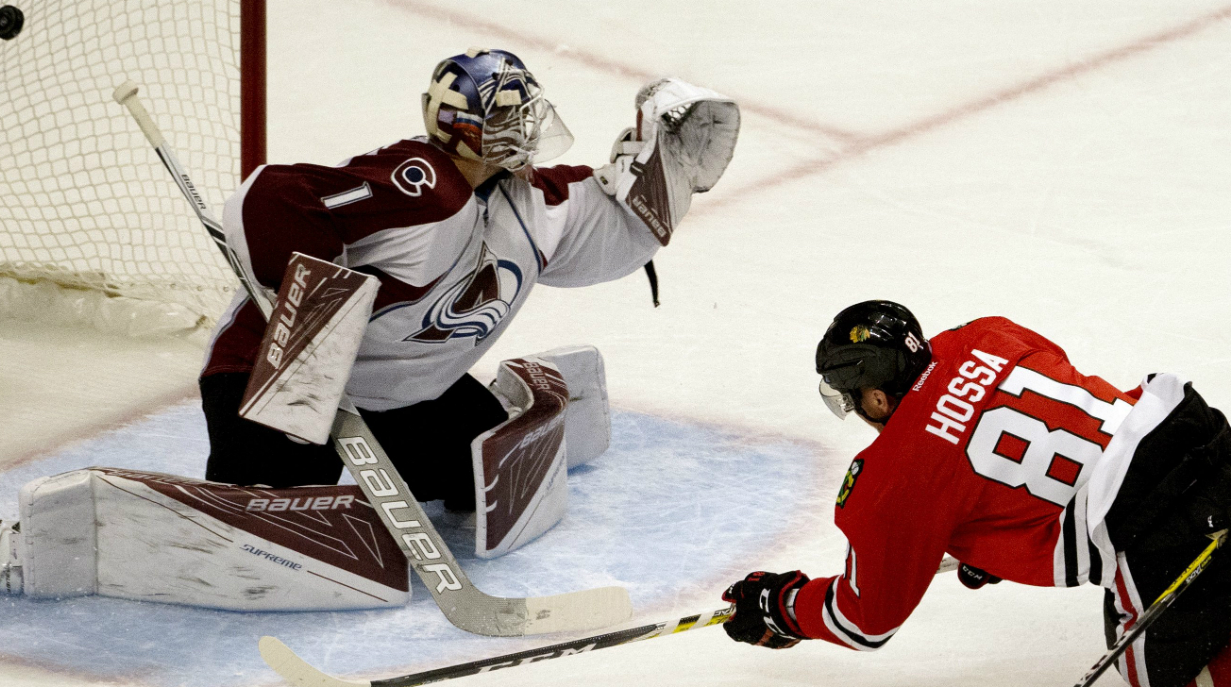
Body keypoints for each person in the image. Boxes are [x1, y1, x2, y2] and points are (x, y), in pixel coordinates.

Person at [198, 48, 739, 509]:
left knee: (485, 484)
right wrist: (313, 329)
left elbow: (615, 236)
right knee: (271, 519)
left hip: (401, 394)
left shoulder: (532, 204)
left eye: (524, 114)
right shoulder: (418, 184)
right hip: (268, 375)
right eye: (505, 116)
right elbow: (272, 197)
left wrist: (668, 166)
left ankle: (498, 408)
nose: (523, 129)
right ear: (462, 128)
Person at [720, 300, 1231, 687]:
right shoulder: (984, 333)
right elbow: (1055, 401)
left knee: (1154, 670)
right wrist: (996, 531)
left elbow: (864, 620)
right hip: (1201, 439)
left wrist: (781, 606)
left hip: (1157, 533)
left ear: (875, 397)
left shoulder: (891, 478)